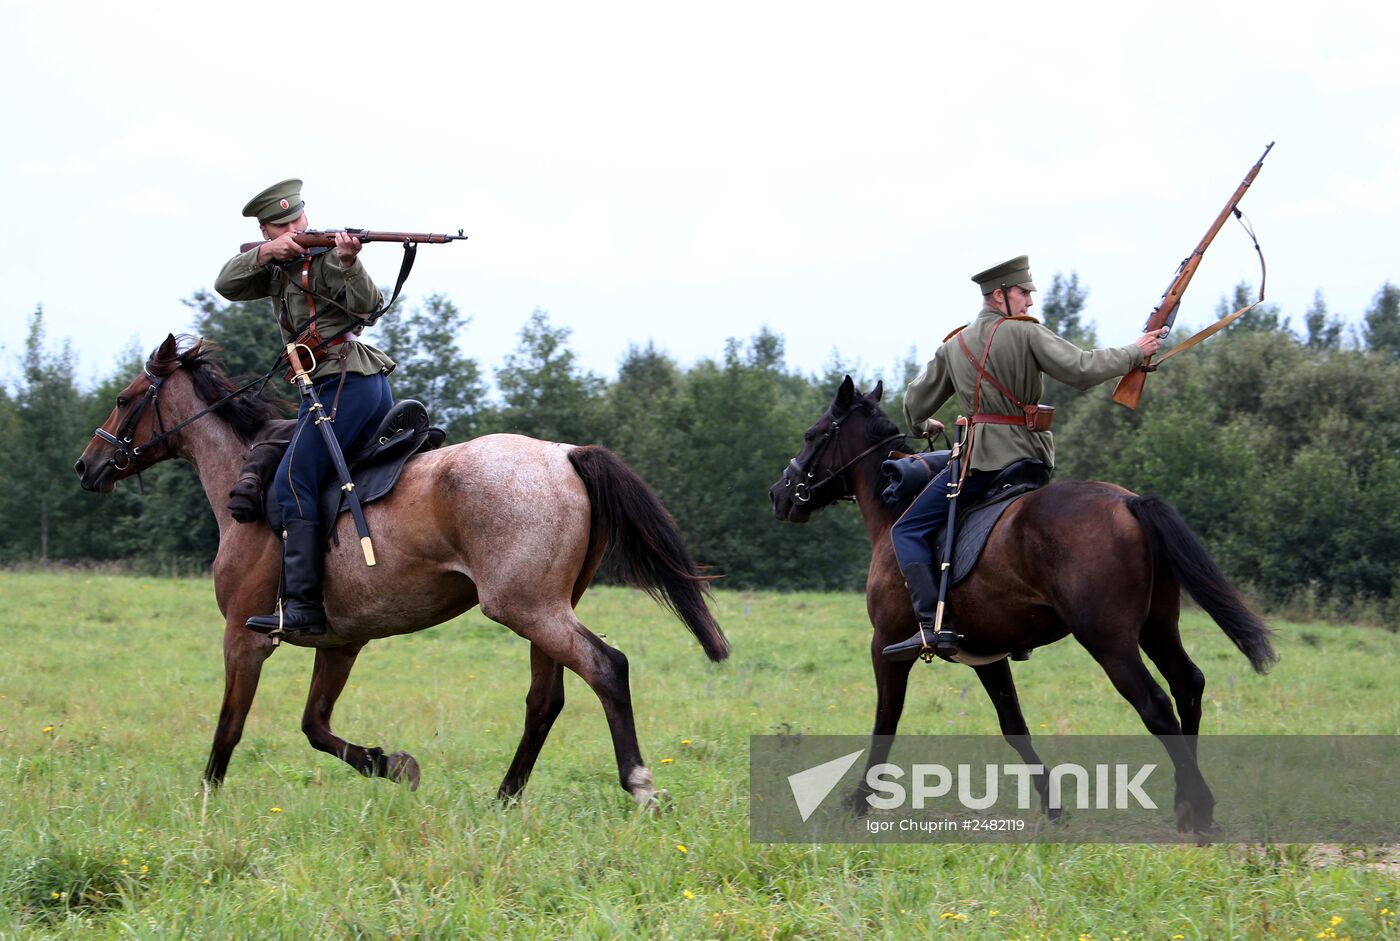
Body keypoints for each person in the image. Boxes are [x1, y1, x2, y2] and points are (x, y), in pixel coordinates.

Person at [882, 255, 1167, 661]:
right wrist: (1134, 351)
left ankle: (932, 627)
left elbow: (913, 404)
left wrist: (925, 425)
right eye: (1023, 293)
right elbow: (1083, 369)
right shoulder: (1025, 335)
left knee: (907, 531)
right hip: (1030, 463)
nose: (1030, 302)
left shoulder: (954, 345)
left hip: (978, 465)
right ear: (999, 295)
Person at [215, 179, 396, 636]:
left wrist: (350, 262)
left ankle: (302, 606)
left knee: (292, 481)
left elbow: (371, 307)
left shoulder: (328, 259)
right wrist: (264, 254)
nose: (297, 227)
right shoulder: (278, 264)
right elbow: (226, 284)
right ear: (268, 229)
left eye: (299, 219)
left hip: (345, 381)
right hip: (337, 384)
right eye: (285, 225)